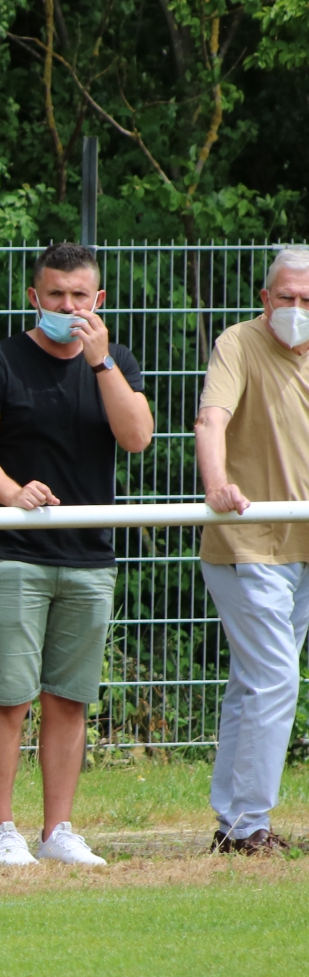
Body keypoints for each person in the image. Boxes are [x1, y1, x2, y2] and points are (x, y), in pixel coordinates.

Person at [0, 241, 153, 867]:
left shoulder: (115, 361)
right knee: (11, 696)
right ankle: (1, 833)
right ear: (34, 297)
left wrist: (101, 363)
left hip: (89, 557)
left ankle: (58, 831)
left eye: (79, 296)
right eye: (55, 295)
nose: (67, 307)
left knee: (69, 699)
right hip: (12, 554)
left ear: (98, 300)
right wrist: (13, 493)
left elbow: (137, 437)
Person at [195, 246, 309, 855]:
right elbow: (211, 420)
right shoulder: (237, 343)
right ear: (265, 298)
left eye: (307, 299)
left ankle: (234, 823)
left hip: (303, 546)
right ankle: (249, 826)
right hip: (248, 541)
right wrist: (216, 484)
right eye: (285, 296)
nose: (296, 308)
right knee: (275, 678)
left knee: (253, 683)